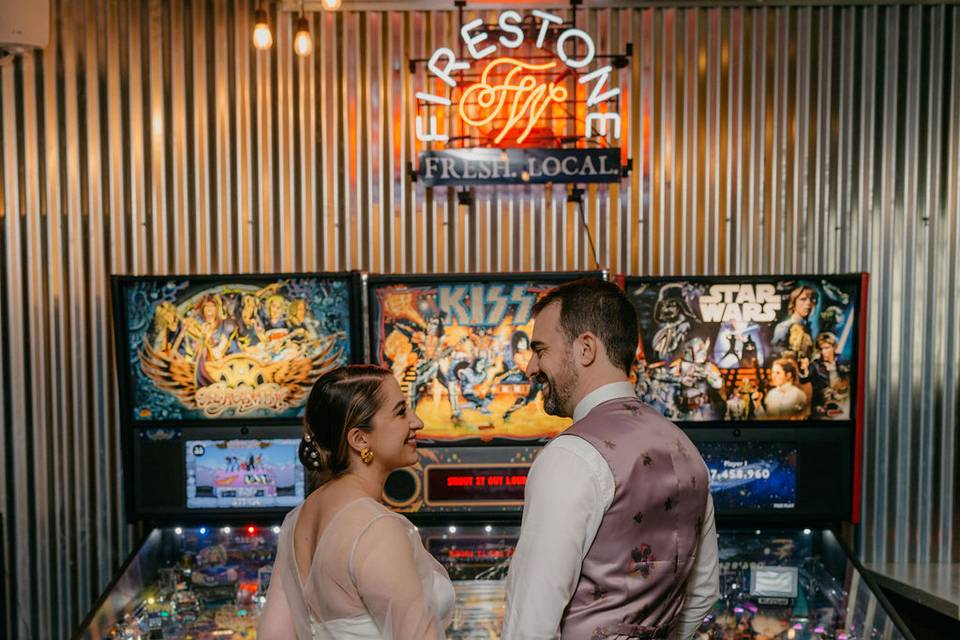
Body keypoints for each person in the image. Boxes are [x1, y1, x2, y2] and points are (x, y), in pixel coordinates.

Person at [503, 279, 719, 640]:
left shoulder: (571, 455)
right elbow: (703, 592)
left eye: (540, 350)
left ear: (586, 348)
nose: (530, 367)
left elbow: (531, 622)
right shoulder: (685, 449)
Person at [257, 365, 454, 639]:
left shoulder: (297, 519)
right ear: (360, 439)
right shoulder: (377, 528)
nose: (417, 421)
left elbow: (275, 633)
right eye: (400, 412)